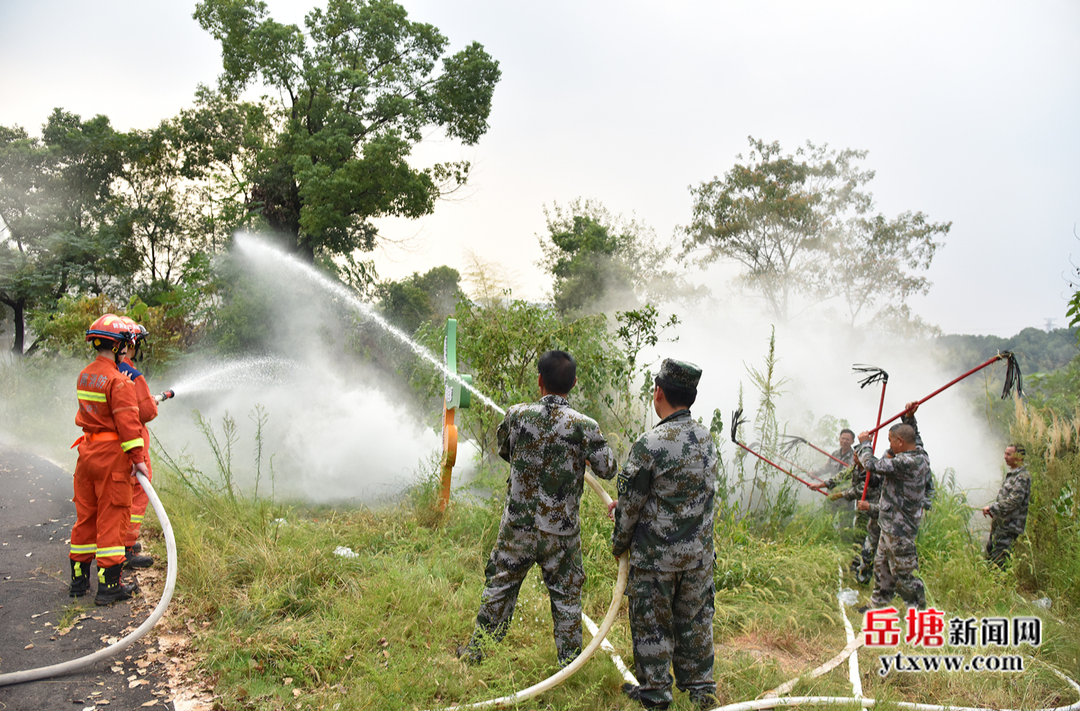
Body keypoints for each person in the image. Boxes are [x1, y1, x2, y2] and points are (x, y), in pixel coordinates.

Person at [459, 350, 616, 667]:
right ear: (573, 383)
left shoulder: (517, 415)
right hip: (560, 533)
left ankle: (477, 655)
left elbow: (505, 451)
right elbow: (609, 468)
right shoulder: (585, 426)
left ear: (540, 381)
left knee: (500, 585)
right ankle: (569, 664)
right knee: (567, 597)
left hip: (518, 526)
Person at [610, 359, 718, 711]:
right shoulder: (706, 439)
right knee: (695, 623)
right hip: (699, 557)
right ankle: (701, 690)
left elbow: (630, 506)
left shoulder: (650, 443)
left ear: (658, 392)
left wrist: (619, 543)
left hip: (657, 560)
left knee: (652, 627)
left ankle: (656, 693)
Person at [70, 314, 150, 605]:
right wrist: (138, 459)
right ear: (118, 347)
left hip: (86, 453)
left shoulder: (85, 375)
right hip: (111, 458)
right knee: (112, 517)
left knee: (86, 517)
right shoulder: (119, 381)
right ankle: (109, 587)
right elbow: (129, 426)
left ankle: (79, 581)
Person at [855, 401, 929, 612]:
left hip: (900, 529)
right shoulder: (920, 453)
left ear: (899, 441)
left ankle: (918, 611)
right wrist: (909, 418)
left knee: (903, 574)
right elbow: (916, 437)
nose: (889, 446)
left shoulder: (907, 462)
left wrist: (865, 444)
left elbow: (871, 465)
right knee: (882, 567)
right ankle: (878, 605)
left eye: (890, 441)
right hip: (889, 525)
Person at [117, 317, 158, 569]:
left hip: (109, 445)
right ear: (129, 343)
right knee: (137, 491)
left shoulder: (107, 370)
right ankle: (127, 546)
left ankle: (118, 543)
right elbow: (146, 412)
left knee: (117, 494)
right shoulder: (132, 373)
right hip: (132, 442)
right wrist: (151, 403)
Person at [982, 444, 1031, 567]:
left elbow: (1013, 501)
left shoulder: (1022, 477)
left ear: (1019, 457)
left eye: (1009, 454)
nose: (1005, 457)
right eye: (1005, 453)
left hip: (1008, 528)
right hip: (1000, 528)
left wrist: (992, 508)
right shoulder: (1013, 475)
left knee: (999, 564)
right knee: (990, 561)